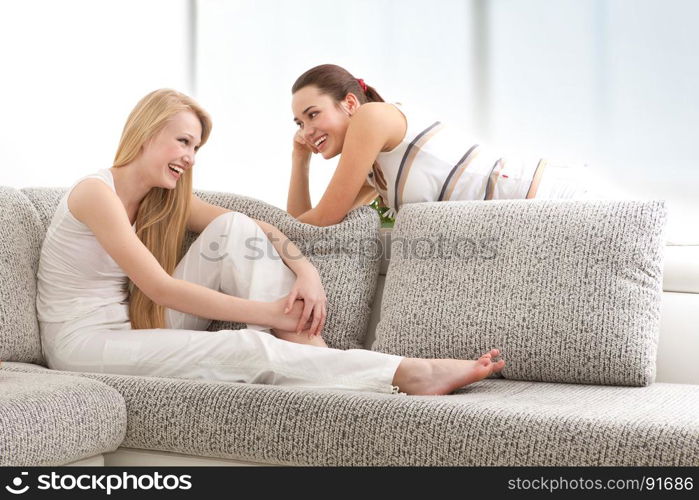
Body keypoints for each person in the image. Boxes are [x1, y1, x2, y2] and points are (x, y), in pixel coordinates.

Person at [36, 88, 505, 396]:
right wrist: (269, 314)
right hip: (85, 345)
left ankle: (308, 356)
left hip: (132, 329)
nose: (188, 157)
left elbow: (266, 229)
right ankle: (405, 373)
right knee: (246, 347)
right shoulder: (95, 193)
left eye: (195, 148)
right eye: (181, 141)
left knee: (234, 228)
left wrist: (307, 272)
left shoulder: (165, 199)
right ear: (146, 133)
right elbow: (160, 289)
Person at [289, 64, 605, 226]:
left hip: (550, 196)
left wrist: (263, 229)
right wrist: (299, 159)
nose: (307, 131)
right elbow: (310, 227)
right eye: (299, 123)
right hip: (527, 217)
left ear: (349, 103)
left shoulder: (373, 117)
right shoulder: (375, 172)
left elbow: (320, 220)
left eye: (313, 114)